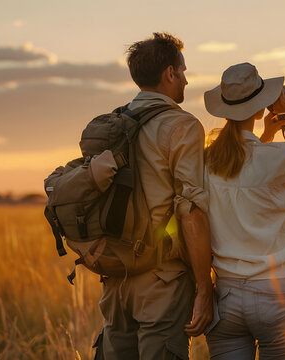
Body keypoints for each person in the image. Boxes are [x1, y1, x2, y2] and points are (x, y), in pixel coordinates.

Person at [95, 32, 213, 359]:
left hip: (116, 280)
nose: (187, 80)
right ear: (170, 74)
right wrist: (204, 288)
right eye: (183, 71)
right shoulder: (183, 125)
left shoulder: (113, 122)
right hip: (161, 280)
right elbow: (190, 211)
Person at [202, 62, 285, 359]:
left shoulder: (207, 161)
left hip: (227, 298)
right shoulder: (279, 157)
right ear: (260, 108)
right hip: (278, 295)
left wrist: (267, 134)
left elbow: (242, 169)